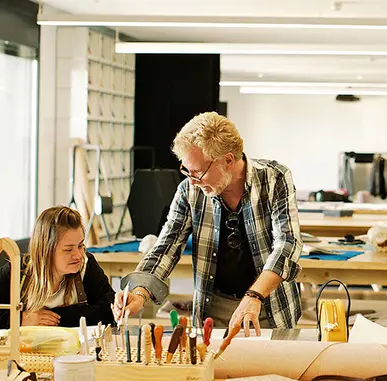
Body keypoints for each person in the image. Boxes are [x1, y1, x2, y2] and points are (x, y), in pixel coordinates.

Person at [113, 112, 302, 340]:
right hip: (213, 314)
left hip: (270, 307)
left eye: (198, 172)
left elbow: (288, 244)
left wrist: (254, 296)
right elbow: (166, 247)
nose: (191, 180)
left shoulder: (274, 179)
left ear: (228, 160)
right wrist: (139, 292)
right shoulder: (189, 190)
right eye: (186, 170)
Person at [0, 206, 115, 328]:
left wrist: (55, 317)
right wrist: (20, 318)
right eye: (68, 250)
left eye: (80, 246)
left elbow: (110, 308)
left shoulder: (86, 264)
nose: (78, 255)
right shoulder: (17, 270)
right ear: (46, 250)